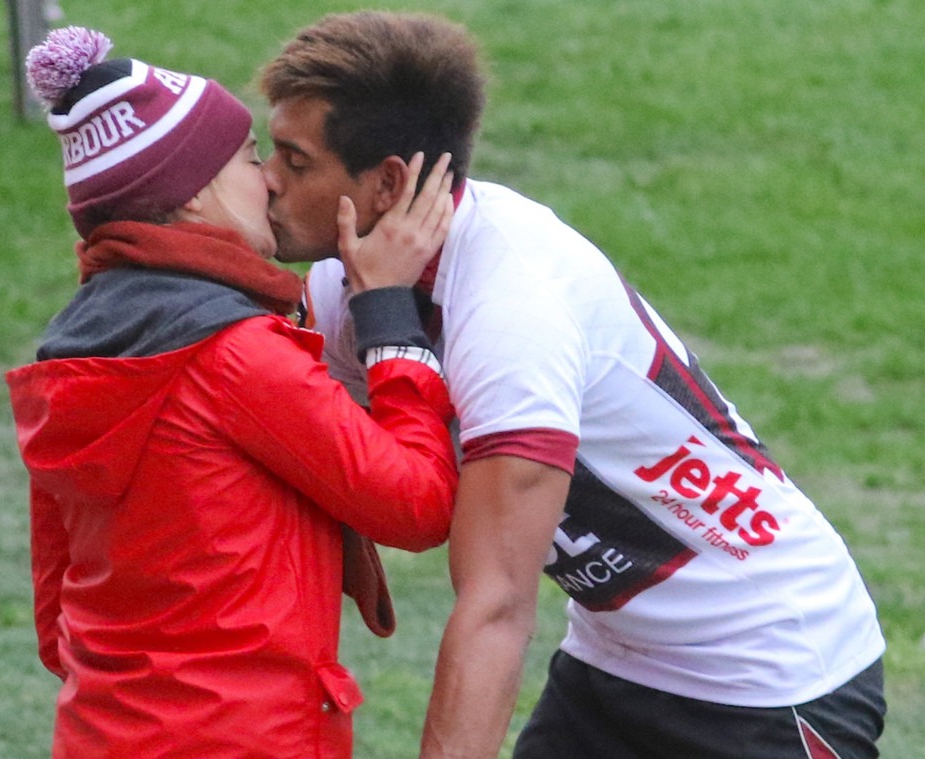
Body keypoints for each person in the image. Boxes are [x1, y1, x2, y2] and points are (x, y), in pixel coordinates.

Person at [257, 10, 888, 758]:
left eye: (296, 165)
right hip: (615, 661)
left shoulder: (513, 305)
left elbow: (494, 605)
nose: (266, 181)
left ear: (388, 182)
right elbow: (344, 472)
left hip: (771, 673)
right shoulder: (355, 281)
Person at [6, 26, 459, 759]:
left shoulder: (72, 353)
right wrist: (387, 310)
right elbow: (416, 502)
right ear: (192, 201)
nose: (273, 179)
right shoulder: (234, 356)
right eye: (251, 157)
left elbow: (56, 603)